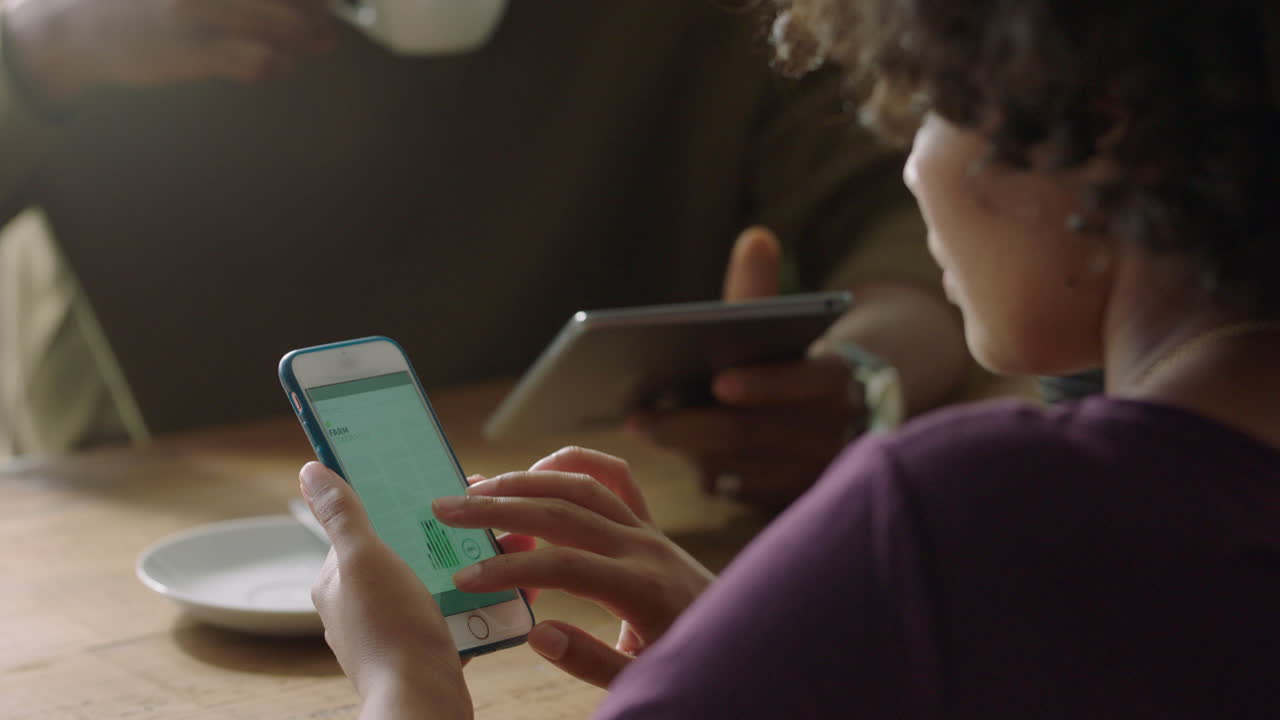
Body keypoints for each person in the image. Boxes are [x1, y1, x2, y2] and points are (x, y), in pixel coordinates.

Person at [297, 0, 1280, 716]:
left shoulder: (958, 513)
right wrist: (766, 642)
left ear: (1099, 136)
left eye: (935, 106)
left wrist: (406, 680)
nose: (908, 164)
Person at [0, 0, 969, 506]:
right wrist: (45, 47)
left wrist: (856, 381)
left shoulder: (701, 20)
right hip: (145, 523)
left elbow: (917, 214)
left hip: (583, 512)